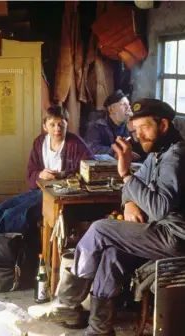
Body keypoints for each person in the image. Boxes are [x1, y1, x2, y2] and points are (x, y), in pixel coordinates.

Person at [28, 98, 185, 335]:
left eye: (145, 128)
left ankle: (67, 302)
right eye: (136, 129)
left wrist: (124, 174)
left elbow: (159, 207)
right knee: (112, 254)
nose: (139, 135)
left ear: (163, 126)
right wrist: (130, 202)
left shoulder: (175, 157)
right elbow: (135, 184)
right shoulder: (157, 152)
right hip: (158, 231)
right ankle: (99, 329)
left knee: (101, 230)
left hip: (174, 237)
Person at [0, 105, 94, 234]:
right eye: (52, 125)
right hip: (39, 191)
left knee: (12, 215)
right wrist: (40, 174)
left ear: (67, 125)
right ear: (45, 126)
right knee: (0, 209)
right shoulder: (40, 142)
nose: (57, 129)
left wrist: (63, 175)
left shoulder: (76, 143)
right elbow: (31, 171)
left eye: (61, 125)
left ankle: (5, 248)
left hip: (60, 196)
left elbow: (91, 167)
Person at [85, 90, 143, 161]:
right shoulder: (97, 126)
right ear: (111, 110)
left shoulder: (132, 126)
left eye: (128, 104)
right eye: (123, 104)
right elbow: (92, 148)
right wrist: (115, 153)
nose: (128, 107)